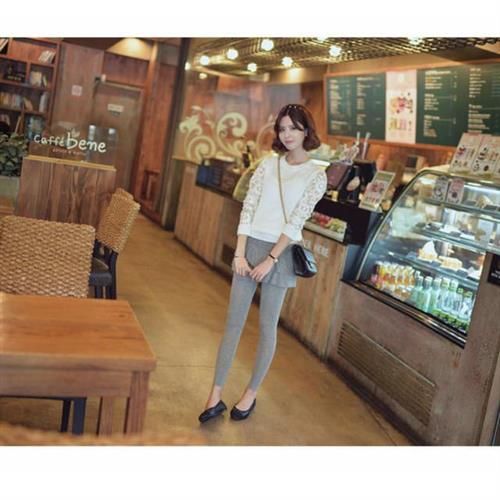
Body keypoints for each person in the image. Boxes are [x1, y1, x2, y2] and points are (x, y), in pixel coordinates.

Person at [199, 104, 328, 423]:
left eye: (294, 128)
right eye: (282, 128)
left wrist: (271, 259)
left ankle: (250, 393)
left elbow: (297, 220)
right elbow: (249, 207)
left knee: (267, 326)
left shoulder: (316, 175)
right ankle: (214, 395)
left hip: (282, 253)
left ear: (307, 131)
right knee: (234, 322)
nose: (287, 134)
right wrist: (240, 252)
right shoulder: (268, 165)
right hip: (251, 244)